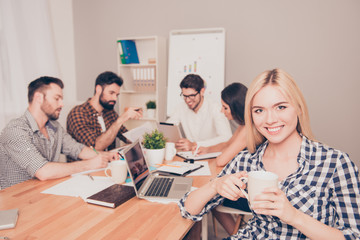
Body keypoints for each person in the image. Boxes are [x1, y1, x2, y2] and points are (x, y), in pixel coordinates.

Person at [178, 69, 360, 239]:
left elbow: (354, 235)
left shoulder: (335, 163)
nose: (270, 119)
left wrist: (294, 216)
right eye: (259, 110)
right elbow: (188, 209)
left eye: (280, 107)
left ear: (298, 107)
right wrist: (215, 185)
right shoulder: (246, 161)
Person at [0, 76, 117, 189]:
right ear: (38, 98)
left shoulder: (54, 127)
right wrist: (89, 165)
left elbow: (77, 149)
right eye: (57, 99)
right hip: (17, 200)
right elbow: (43, 171)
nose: (62, 104)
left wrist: (106, 156)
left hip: (44, 191)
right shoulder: (15, 130)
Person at [66, 71, 142, 152]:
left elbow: (126, 137)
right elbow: (96, 147)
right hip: (86, 164)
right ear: (98, 89)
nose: (115, 98)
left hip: (109, 162)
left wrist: (144, 138)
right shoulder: (78, 114)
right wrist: (121, 119)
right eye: (111, 93)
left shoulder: (109, 112)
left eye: (117, 95)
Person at [167, 74, 232, 151]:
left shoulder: (215, 108)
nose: (187, 100)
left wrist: (195, 144)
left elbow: (226, 137)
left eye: (192, 95)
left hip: (211, 154)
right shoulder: (181, 107)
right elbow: (168, 126)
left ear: (202, 91)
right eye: (185, 96)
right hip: (190, 155)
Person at [196, 82, 248, 167]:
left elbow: (221, 161)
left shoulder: (247, 130)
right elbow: (227, 144)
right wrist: (207, 150)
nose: (222, 111)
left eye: (225, 108)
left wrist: (222, 154)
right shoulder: (243, 125)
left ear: (236, 107)